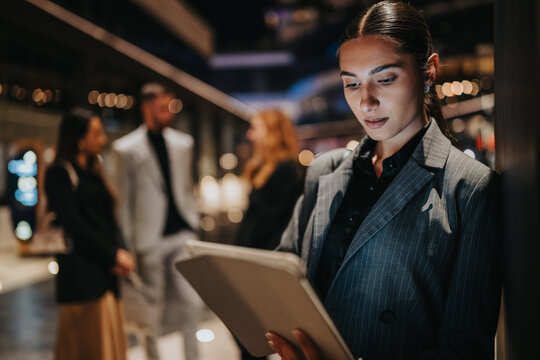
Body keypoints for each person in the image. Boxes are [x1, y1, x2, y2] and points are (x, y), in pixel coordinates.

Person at [267, 2, 501, 359]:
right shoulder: (324, 171)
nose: (366, 102)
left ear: (429, 72)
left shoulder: (467, 187)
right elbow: (284, 274)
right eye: (351, 84)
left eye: (385, 78)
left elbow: (464, 347)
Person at [112, 83, 201, 360]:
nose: (169, 114)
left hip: (182, 234)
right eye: (163, 109)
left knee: (193, 303)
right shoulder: (125, 149)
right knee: (151, 310)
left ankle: (193, 357)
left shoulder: (183, 143)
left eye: (170, 107)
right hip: (148, 240)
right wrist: (127, 245)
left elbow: (187, 186)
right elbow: (123, 203)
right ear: (147, 109)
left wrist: (194, 220)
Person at [45, 107, 135, 360]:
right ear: (79, 139)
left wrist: (120, 250)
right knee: (87, 348)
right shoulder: (60, 173)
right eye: (96, 133)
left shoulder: (94, 172)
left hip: (105, 275)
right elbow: (74, 224)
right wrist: (112, 256)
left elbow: (108, 220)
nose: (103, 139)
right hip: (82, 278)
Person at [235, 110, 303, 360]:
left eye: (256, 129)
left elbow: (269, 225)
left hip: (263, 262)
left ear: (272, 133)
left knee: (257, 335)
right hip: (254, 260)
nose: (251, 135)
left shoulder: (284, 169)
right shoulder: (264, 166)